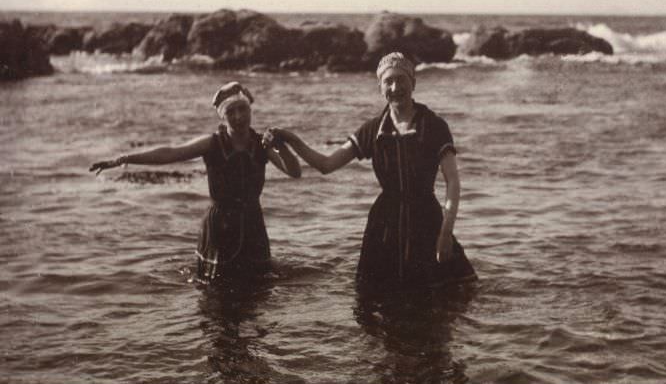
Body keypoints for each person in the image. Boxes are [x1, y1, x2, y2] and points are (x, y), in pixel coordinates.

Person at [269, 52, 477, 291]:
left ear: (414, 83)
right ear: (380, 87)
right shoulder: (372, 129)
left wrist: (445, 233)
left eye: (402, 79)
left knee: (443, 298)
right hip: (384, 225)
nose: (396, 87)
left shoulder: (433, 126)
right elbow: (326, 165)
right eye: (388, 81)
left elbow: (453, 181)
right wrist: (291, 139)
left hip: (426, 221)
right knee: (381, 298)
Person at [89, 81, 301, 283]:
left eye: (242, 109)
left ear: (250, 110)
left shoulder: (261, 144)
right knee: (217, 292)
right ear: (223, 117)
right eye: (230, 112)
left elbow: (294, 172)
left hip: (253, 223)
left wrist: (281, 147)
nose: (238, 116)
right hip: (220, 226)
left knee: (259, 290)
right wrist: (125, 159)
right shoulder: (212, 144)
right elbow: (171, 153)